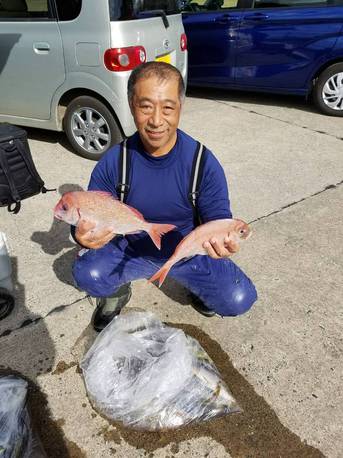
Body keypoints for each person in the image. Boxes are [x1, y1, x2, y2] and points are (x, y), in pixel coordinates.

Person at [72, 61, 257, 332]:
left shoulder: (202, 162)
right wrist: (80, 234)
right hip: (130, 250)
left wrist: (223, 241)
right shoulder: (114, 161)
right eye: (146, 106)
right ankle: (116, 293)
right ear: (131, 105)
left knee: (238, 300)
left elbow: (218, 218)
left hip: (188, 254)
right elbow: (87, 212)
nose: (157, 120)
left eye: (168, 107)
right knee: (87, 273)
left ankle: (197, 286)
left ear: (180, 108)